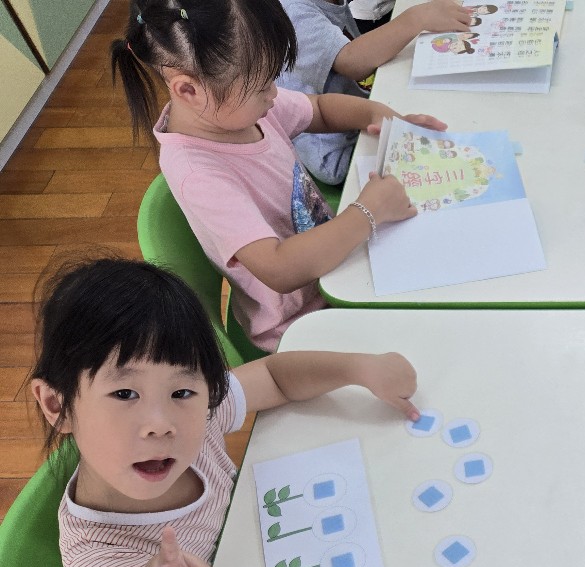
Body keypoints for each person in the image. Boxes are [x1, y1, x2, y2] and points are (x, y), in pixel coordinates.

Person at [28, 256, 421, 567]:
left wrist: (360, 368)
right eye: (125, 394)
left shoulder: (197, 416)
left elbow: (274, 377)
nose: (161, 425)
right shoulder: (96, 552)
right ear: (57, 404)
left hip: (282, 553)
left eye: (181, 391)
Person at [110, 0, 446, 352]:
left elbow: (319, 109)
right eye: (261, 86)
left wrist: (380, 116)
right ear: (188, 90)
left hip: (336, 267)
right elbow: (279, 268)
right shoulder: (198, 174)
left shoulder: (241, 112)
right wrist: (367, 212)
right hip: (303, 327)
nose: (274, 93)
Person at [277, 0, 473, 185]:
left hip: (362, 109)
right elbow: (350, 60)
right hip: (336, 150)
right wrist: (417, 18)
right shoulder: (292, 11)